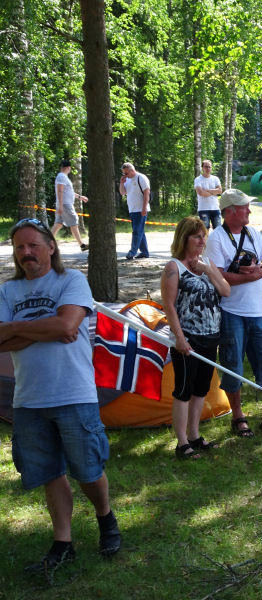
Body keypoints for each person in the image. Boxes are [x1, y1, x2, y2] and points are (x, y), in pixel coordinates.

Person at [0, 218, 121, 571]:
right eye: (19, 247)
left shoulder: (72, 280)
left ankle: (105, 517)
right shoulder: (7, 291)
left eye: (33, 245)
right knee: (50, 472)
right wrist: (47, 328)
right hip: (28, 399)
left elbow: (68, 326)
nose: (26, 253)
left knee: (87, 470)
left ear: (51, 247)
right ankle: (63, 541)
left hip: (73, 392)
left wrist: (14, 329)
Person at [206, 189, 262, 435]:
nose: (249, 210)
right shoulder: (216, 239)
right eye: (244, 206)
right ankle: (238, 417)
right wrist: (252, 275)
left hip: (257, 312)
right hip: (230, 312)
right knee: (232, 366)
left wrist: (258, 271)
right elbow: (218, 277)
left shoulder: (253, 233)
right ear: (230, 211)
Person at [161, 217, 230, 458]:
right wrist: (179, 338)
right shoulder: (173, 267)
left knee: (200, 390)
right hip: (187, 338)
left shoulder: (207, 263)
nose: (202, 241)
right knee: (183, 389)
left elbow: (226, 291)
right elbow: (169, 306)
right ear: (184, 238)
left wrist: (209, 270)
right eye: (196, 236)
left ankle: (194, 434)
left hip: (211, 336)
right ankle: (182, 443)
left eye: (204, 236)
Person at [52, 159, 88, 251]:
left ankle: (47, 242)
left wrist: (80, 197)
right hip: (65, 204)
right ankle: (82, 245)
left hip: (63, 204)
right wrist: (60, 206)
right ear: (68, 168)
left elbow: (68, 192)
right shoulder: (62, 177)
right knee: (74, 222)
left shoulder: (62, 177)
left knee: (58, 224)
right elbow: (60, 191)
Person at [118, 162, 150, 260]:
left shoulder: (141, 178)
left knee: (137, 231)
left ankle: (132, 252)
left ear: (132, 170)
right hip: (132, 209)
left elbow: (146, 193)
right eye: (123, 173)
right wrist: (122, 183)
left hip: (140, 209)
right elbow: (123, 192)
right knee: (140, 231)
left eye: (126, 173)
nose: (125, 175)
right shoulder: (127, 180)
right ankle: (144, 252)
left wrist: (144, 208)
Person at [194, 160, 223, 230]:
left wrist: (207, 191)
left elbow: (220, 191)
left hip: (215, 208)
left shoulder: (216, 179)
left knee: (218, 230)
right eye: (206, 167)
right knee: (204, 231)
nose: (208, 169)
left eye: (209, 167)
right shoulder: (198, 179)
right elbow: (200, 193)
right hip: (203, 209)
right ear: (202, 168)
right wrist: (214, 192)